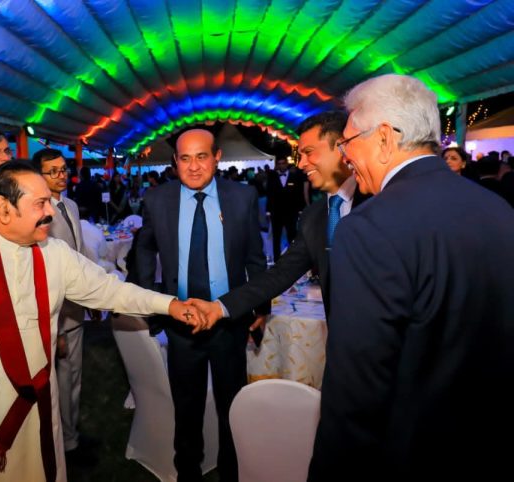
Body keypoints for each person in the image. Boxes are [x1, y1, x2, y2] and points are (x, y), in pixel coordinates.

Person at [0, 161, 207, 482]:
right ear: (3, 207)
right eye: (40, 203)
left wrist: (170, 305)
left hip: (41, 398)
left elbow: (110, 290)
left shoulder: (54, 253)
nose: (50, 212)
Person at [308, 74, 514, 481]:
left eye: (348, 143)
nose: (346, 158)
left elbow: (357, 392)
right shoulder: (499, 210)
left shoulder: (369, 227)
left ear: (385, 138)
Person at [135, 128, 269, 482]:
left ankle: (231, 472)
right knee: (187, 408)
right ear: (175, 161)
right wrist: (152, 300)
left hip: (229, 321)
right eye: (185, 158)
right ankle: (188, 473)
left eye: (201, 157)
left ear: (217, 157)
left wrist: (261, 308)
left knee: (232, 407)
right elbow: (144, 248)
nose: (193, 167)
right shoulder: (157, 199)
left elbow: (255, 258)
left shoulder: (242, 196)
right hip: (182, 324)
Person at [189, 111, 367, 327]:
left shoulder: (379, 202)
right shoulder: (313, 216)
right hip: (340, 337)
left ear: (341, 148)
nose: (301, 164)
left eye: (309, 153)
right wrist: (220, 307)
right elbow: (281, 273)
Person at [31, 147, 96, 464]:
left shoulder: (69, 205)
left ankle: (70, 437)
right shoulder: (36, 213)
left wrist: (92, 295)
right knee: (59, 380)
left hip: (75, 307)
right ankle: (63, 444)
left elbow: (79, 255)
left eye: (63, 169)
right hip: (55, 313)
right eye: (52, 171)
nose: (61, 175)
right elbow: (41, 270)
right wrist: (52, 324)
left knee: (74, 377)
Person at [266, 156, 307, 260]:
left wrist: (300, 209)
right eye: (279, 164)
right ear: (277, 165)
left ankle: (293, 259)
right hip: (276, 213)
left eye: (283, 163)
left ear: (286, 164)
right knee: (276, 237)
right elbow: (270, 194)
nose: (281, 166)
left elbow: (298, 194)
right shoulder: (272, 177)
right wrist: (268, 210)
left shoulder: (294, 177)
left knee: (292, 236)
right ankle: (277, 260)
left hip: (291, 213)